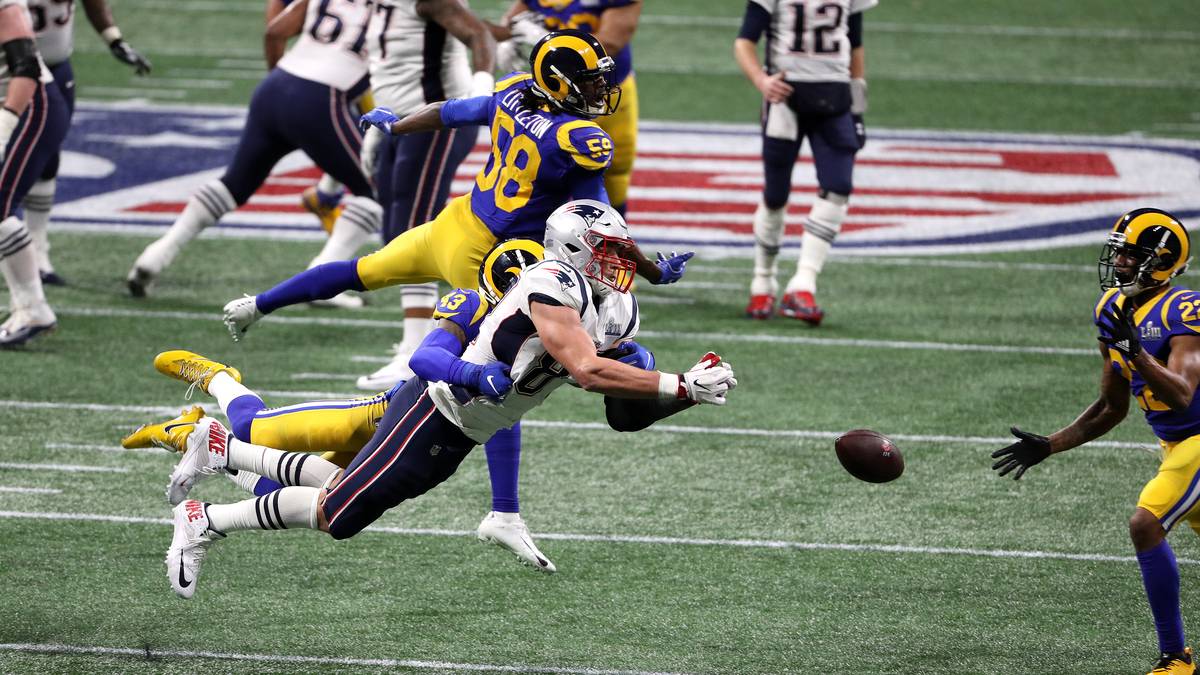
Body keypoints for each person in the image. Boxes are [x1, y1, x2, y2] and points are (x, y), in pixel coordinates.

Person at [146, 199, 736, 598]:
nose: (620, 260)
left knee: (336, 489)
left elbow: (623, 416)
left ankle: (223, 449)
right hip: (436, 406)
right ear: (571, 252)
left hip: (467, 427)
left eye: (621, 249)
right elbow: (583, 369)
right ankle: (205, 519)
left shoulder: (617, 306)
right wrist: (676, 383)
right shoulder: (546, 284)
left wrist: (682, 393)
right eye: (607, 249)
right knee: (338, 510)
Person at [129, 238, 620, 571]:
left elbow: (505, 414)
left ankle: (213, 452)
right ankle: (215, 382)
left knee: (321, 493)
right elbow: (428, 359)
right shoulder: (476, 306)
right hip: (386, 415)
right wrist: (474, 375)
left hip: (421, 424)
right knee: (257, 429)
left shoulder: (542, 320)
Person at [220, 30, 691, 343]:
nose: (598, 92)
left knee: (358, 270)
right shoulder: (579, 139)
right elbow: (600, 226)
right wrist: (652, 272)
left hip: (451, 223)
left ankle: (256, 305)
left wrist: (397, 125)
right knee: (503, 368)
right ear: (560, 83)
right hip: (492, 256)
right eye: (588, 84)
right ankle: (504, 502)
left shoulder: (513, 91)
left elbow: (448, 111)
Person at [990, 208, 1200, 675]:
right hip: (1176, 448)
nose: (1120, 260)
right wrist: (1051, 444)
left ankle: (1176, 658)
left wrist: (1137, 353)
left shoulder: (1185, 307)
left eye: (1132, 253)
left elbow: (1183, 395)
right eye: (1119, 250)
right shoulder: (1112, 310)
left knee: (1146, 522)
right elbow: (1112, 406)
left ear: (1161, 260)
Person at [125, 0, 381, 298]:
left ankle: (156, 255)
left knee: (235, 184)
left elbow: (275, 31)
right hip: (322, 98)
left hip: (276, 85)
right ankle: (321, 282)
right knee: (376, 191)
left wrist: (282, 84)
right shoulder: (400, 7)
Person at [351, 0, 498, 391]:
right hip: (401, 120)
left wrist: (479, 95)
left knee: (414, 229)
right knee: (397, 228)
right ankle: (419, 340)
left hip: (433, 121)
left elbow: (477, 33)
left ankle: (419, 348)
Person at [734, 0, 875, 325]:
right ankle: (763, 281)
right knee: (776, 194)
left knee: (839, 186)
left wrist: (857, 104)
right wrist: (762, 81)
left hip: (836, 99)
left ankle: (803, 284)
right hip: (786, 99)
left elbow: (855, 43)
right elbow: (744, 42)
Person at [24, 0, 149, 285]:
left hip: (56, 67)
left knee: (48, 157)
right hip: (13, 72)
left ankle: (38, 254)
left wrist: (114, 39)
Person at [489, 0, 642, 217]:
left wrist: (546, 43)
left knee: (614, 172)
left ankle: (612, 237)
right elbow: (516, 18)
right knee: (537, 168)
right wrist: (506, 36)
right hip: (556, 94)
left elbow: (613, 42)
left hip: (603, 91)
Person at [0, 0, 69, 347]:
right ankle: (26, 306)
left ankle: (33, 309)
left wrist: (4, 126)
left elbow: (25, 66)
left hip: (29, 107)